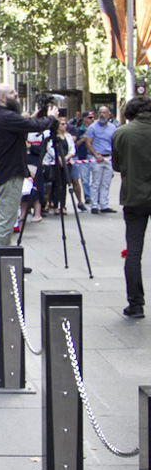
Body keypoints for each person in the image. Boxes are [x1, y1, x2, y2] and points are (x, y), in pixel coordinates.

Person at [0, 85, 58, 265]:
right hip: (9, 175)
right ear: (2, 98)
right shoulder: (5, 116)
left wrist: (37, 115)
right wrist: (51, 118)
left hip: (5, 174)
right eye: (11, 93)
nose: (16, 95)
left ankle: (7, 260)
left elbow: (25, 125)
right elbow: (33, 126)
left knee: (8, 219)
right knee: (6, 221)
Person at [111, 96, 151, 317]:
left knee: (134, 251)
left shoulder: (122, 133)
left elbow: (117, 165)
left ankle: (136, 304)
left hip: (134, 197)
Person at [84, 104, 118, 213]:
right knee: (96, 182)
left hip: (108, 158)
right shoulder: (93, 127)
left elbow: (114, 142)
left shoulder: (113, 128)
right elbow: (88, 143)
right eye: (101, 112)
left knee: (106, 182)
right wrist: (96, 155)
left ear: (108, 115)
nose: (102, 115)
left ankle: (104, 205)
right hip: (97, 158)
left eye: (105, 113)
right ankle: (94, 205)